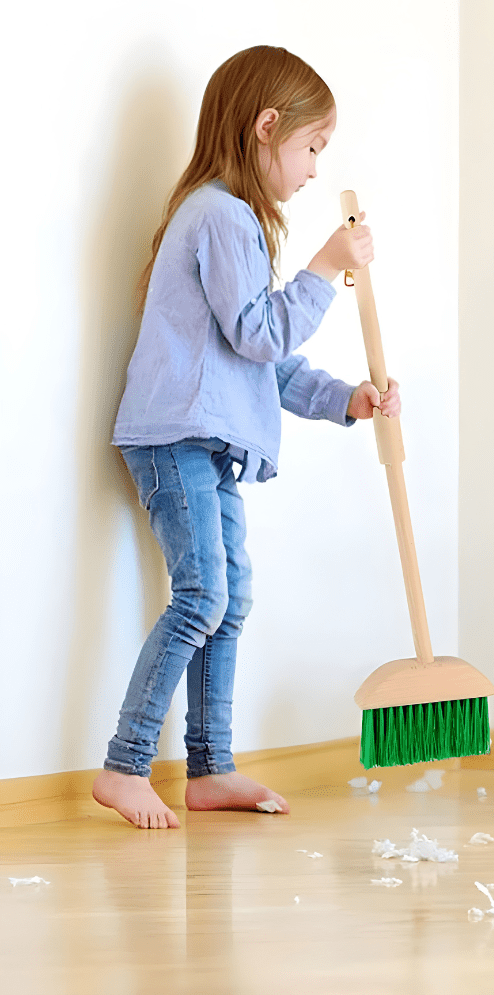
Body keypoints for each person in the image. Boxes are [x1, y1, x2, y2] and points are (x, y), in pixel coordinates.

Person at [92, 45, 400, 829]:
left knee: (229, 602)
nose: (312, 171)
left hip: (207, 441)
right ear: (268, 128)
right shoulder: (220, 216)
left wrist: (345, 400)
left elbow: (261, 361)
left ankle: (209, 767)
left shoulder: (229, 221)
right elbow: (261, 335)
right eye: (311, 148)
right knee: (202, 598)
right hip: (176, 439)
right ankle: (125, 765)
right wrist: (326, 267)